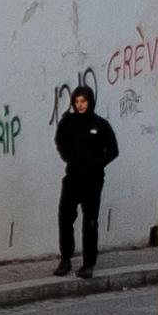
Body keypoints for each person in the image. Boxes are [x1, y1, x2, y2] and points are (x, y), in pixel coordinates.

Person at [55, 77, 120, 276]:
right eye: (77, 102)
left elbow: (113, 150)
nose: (81, 105)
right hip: (73, 177)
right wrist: (70, 158)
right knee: (65, 217)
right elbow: (60, 141)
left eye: (84, 101)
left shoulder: (100, 124)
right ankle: (66, 259)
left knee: (90, 221)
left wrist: (96, 163)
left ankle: (88, 264)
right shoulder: (68, 121)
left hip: (93, 180)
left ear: (90, 102)